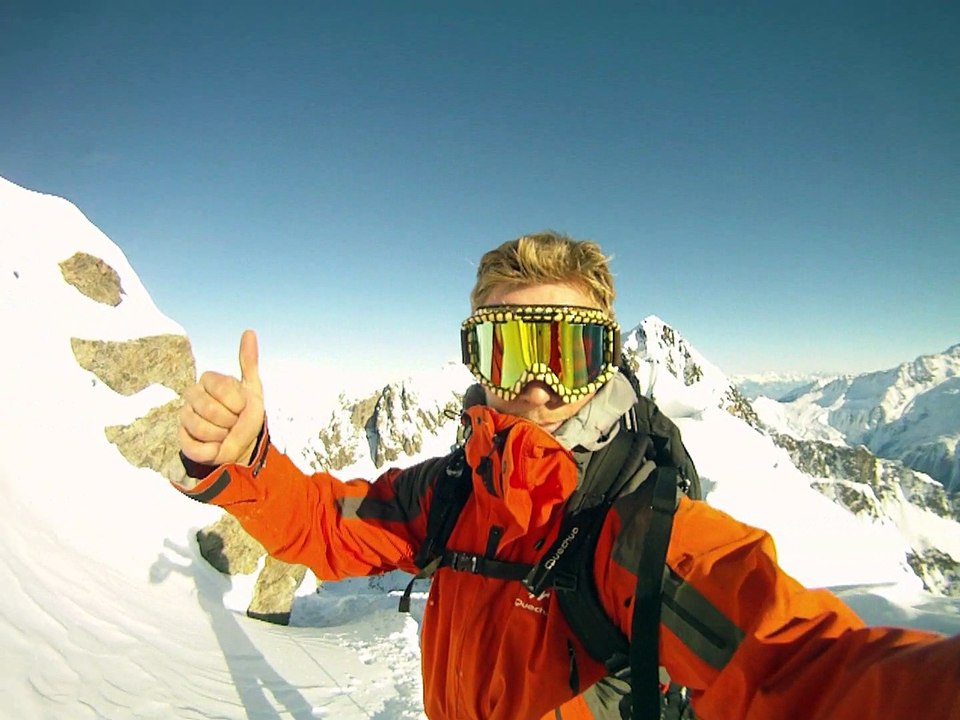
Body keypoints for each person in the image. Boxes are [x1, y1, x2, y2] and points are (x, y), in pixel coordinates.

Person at [174, 232, 960, 720]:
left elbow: (800, 668)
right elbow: (330, 523)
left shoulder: (645, 533)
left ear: (606, 364)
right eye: (509, 350)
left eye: (568, 352)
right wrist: (247, 464)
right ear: (475, 363)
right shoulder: (452, 489)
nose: (538, 386)